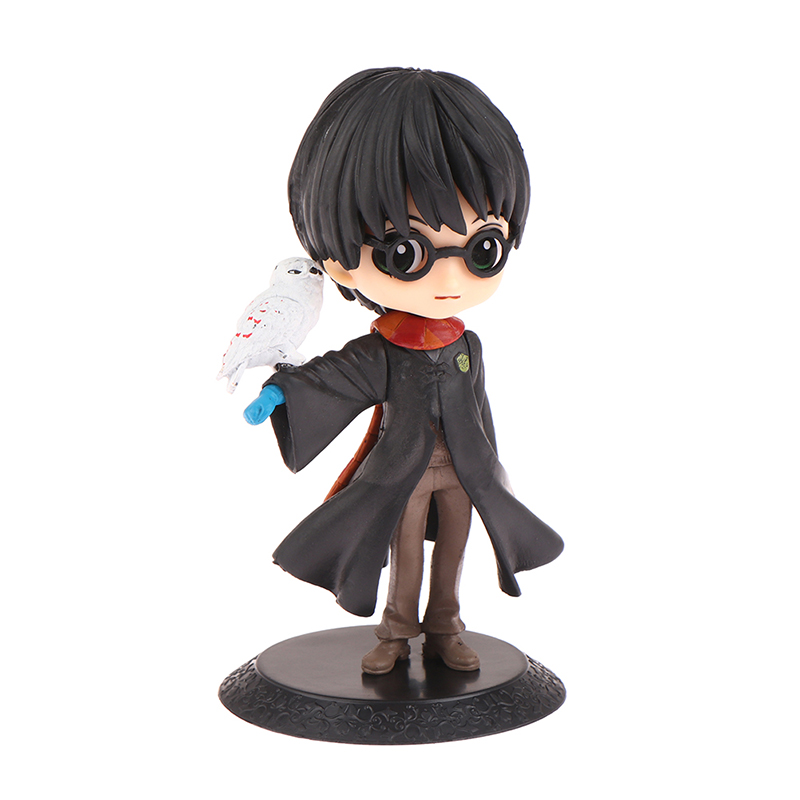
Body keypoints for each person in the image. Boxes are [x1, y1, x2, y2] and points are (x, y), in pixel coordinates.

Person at [244, 68, 563, 675]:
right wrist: (282, 391)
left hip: (467, 470)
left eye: (483, 249)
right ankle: (395, 632)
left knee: (455, 553)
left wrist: (492, 468)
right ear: (339, 259)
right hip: (405, 470)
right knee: (407, 551)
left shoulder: (467, 344)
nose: (451, 279)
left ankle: (446, 627)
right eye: (406, 253)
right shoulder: (387, 349)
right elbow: (337, 375)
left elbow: (481, 410)